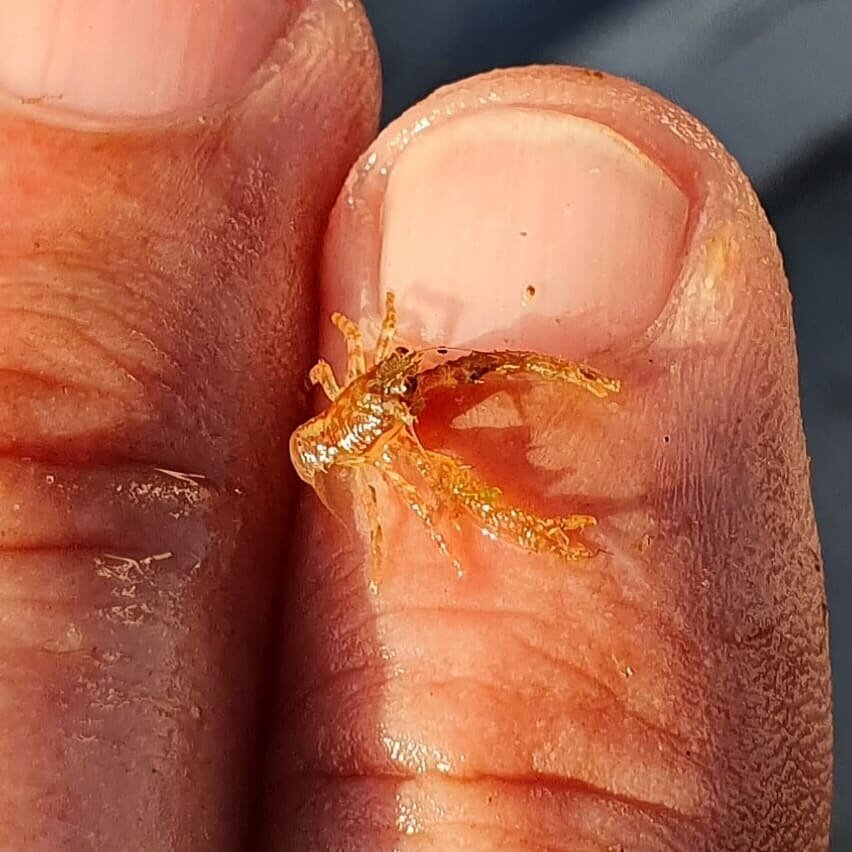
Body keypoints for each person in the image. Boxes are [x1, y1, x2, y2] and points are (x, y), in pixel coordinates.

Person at [0, 1, 832, 849]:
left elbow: (363, 367)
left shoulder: (384, 387)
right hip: (342, 440)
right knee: (447, 496)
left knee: (450, 388)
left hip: (359, 411)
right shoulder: (380, 451)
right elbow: (410, 467)